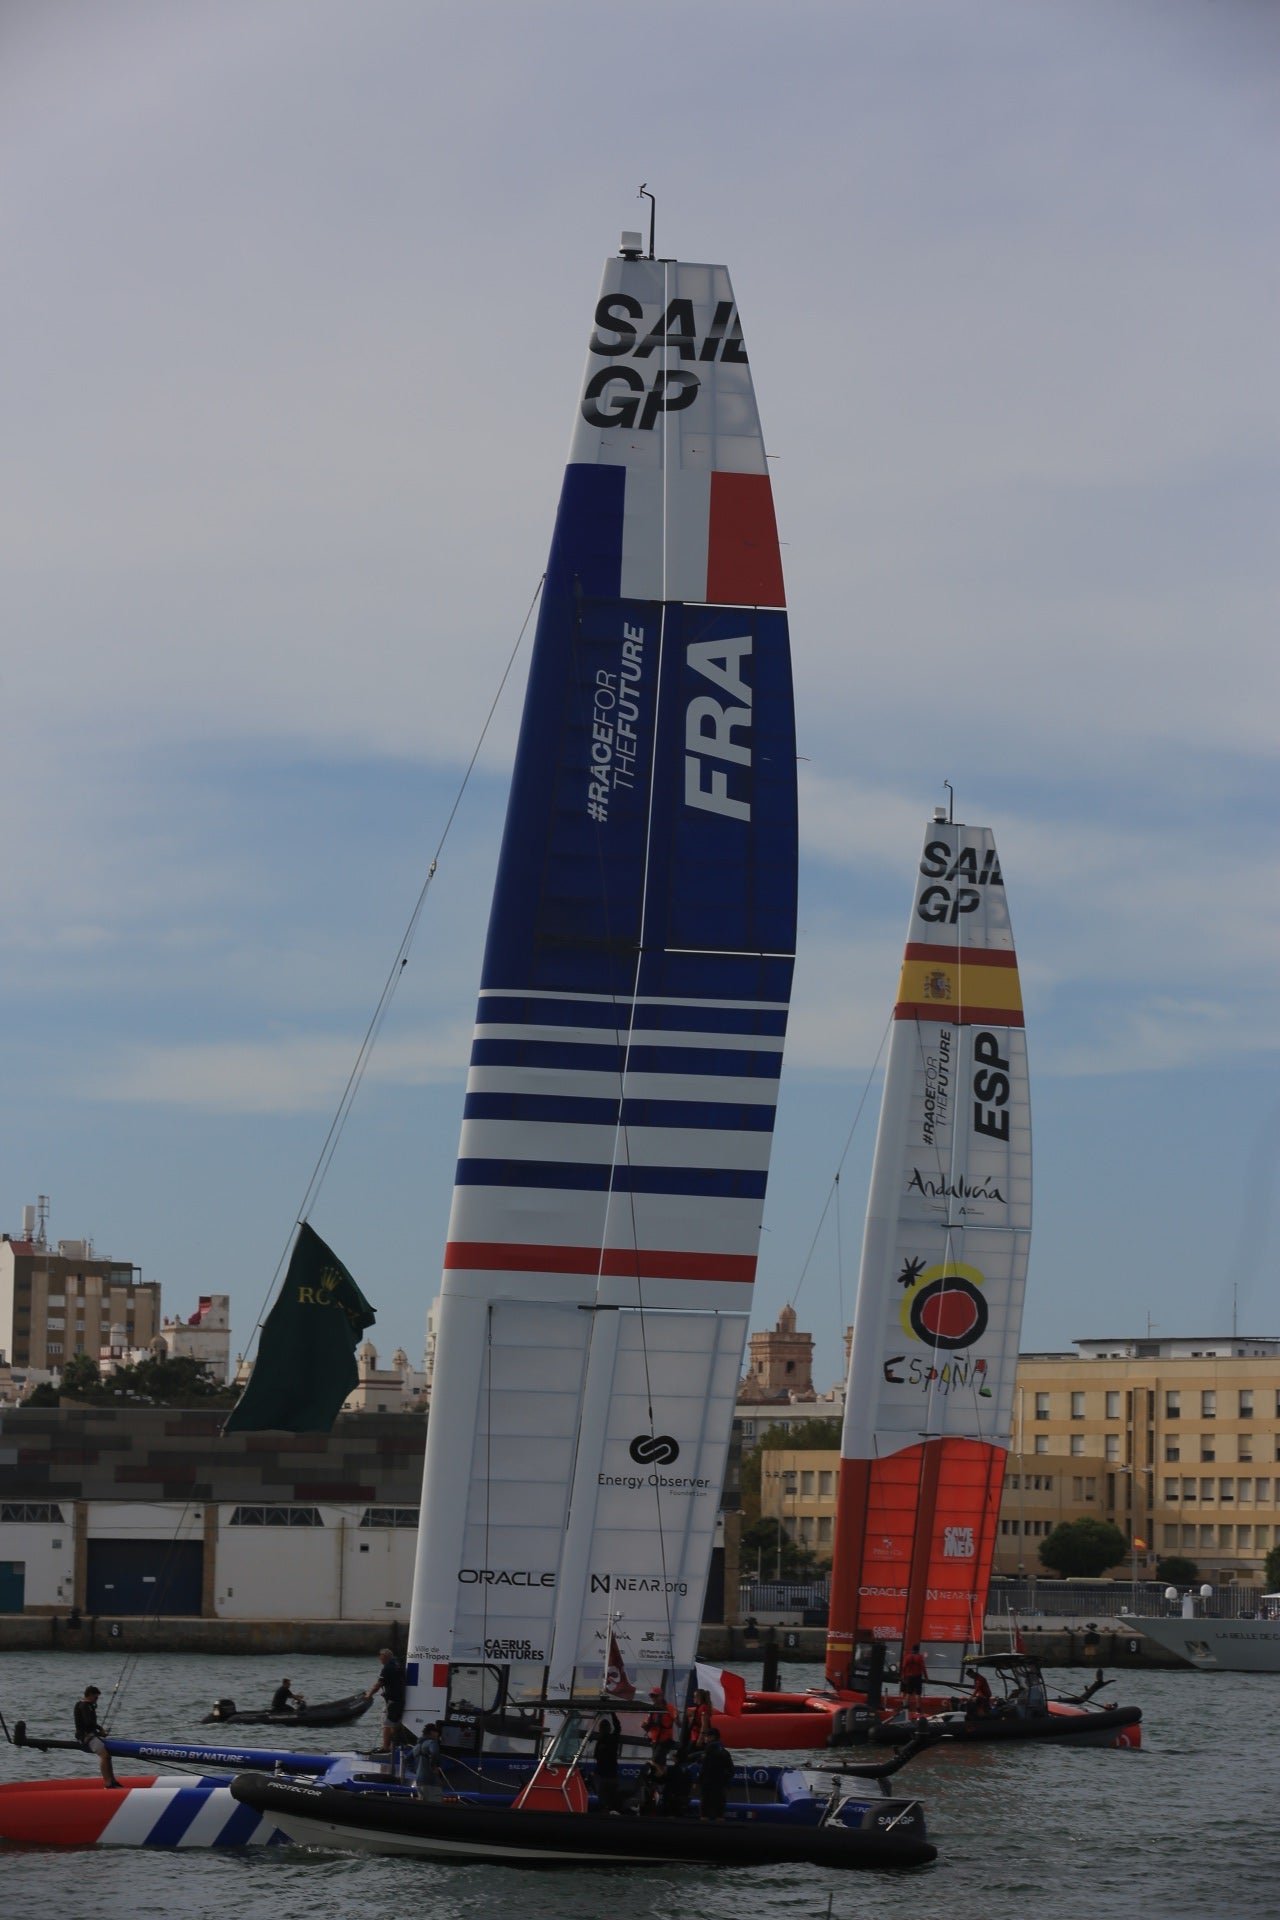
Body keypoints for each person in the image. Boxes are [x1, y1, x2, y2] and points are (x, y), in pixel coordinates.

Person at [74, 1684, 121, 1789]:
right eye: (96, 1697)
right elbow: (88, 1724)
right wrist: (100, 1731)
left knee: (108, 1756)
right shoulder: (84, 1706)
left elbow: (90, 1724)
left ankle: (113, 1781)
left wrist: (99, 1730)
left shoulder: (87, 1705)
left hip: (90, 1735)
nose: (96, 1700)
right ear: (90, 1695)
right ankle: (108, 1784)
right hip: (86, 1737)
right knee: (105, 1756)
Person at [366, 1645, 407, 1750]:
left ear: (385, 1657)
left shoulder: (387, 1667)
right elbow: (396, 1682)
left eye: (381, 1656)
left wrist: (369, 1695)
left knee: (387, 1724)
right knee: (395, 1723)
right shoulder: (398, 1664)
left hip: (392, 1701)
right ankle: (394, 1747)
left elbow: (378, 1685)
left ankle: (385, 1748)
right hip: (400, 1699)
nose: (379, 1658)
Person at [695, 1726, 735, 1822]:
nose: (705, 1738)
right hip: (721, 1782)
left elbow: (705, 1767)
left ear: (712, 1737)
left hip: (708, 1781)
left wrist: (698, 1780)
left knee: (705, 1803)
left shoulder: (709, 1749)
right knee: (720, 1804)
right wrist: (726, 1780)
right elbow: (731, 1768)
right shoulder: (724, 1751)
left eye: (706, 1736)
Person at [591, 1710, 625, 1814]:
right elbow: (618, 1727)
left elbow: (597, 1759)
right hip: (613, 1776)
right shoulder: (613, 1739)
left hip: (603, 1778)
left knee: (603, 1804)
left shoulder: (599, 1742)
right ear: (609, 1729)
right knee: (613, 1804)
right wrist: (613, 1714)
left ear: (600, 1729)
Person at [408, 1722, 446, 1800]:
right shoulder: (432, 1742)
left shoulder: (416, 1747)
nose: (438, 1735)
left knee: (423, 1801)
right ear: (432, 1732)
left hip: (419, 1780)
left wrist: (415, 1770)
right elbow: (434, 1752)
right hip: (432, 1780)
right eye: (437, 1732)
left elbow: (407, 1760)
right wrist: (433, 1767)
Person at [641, 1685, 675, 1757]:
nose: (653, 1698)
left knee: (656, 1761)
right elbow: (647, 1724)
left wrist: (677, 1717)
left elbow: (678, 1722)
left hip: (665, 1740)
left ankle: (649, 1765)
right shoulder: (651, 1709)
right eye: (652, 1696)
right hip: (654, 1741)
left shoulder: (670, 1708)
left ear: (661, 1696)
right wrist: (644, 1725)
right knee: (659, 1763)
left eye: (655, 1696)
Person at [900, 1643, 928, 1719]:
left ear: (912, 1650)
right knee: (918, 1693)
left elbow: (904, 1667)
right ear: (918, 1650)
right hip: (918, 1677)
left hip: (909, 1677)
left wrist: (903, 1676)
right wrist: (926, 1677)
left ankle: (905, 1707)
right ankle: (918, 1709)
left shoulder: (907, 1657)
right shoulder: (920, 1657)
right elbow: (923, 1667)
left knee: (908, 1692)